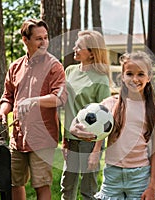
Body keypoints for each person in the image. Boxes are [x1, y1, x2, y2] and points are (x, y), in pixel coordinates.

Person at [0, 19, 67, 200]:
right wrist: (2, 112)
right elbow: (7, 97)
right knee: (15, 182)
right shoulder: (15, 67)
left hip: (42, 137)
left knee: (41, 185)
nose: (44, 42)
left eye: (46, 38)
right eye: (39, 39)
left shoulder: (54, 66)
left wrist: (34, 101)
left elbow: (60, 97)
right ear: (25, 40)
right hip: (18, 137)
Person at [71, 51, 155, 200]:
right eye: (129, 74)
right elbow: (86, 120)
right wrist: (93, 149)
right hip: (112, 174)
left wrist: (152, 186)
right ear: (122, 76)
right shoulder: (110, 104)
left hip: (139, 176)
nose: (135, 79)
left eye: (140, 74)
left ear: (149, 77)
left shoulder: (154, 111)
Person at [60, 30, 111, 200]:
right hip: (71, 138)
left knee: (88, 190)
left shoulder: (101, 78)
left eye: (79, 46)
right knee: (67, 187)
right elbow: (67, 108)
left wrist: (97, 151)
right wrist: (65, 140)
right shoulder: (70, 71)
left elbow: (105, 118)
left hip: (90, 142)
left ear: (91, 53)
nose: (74, 48)